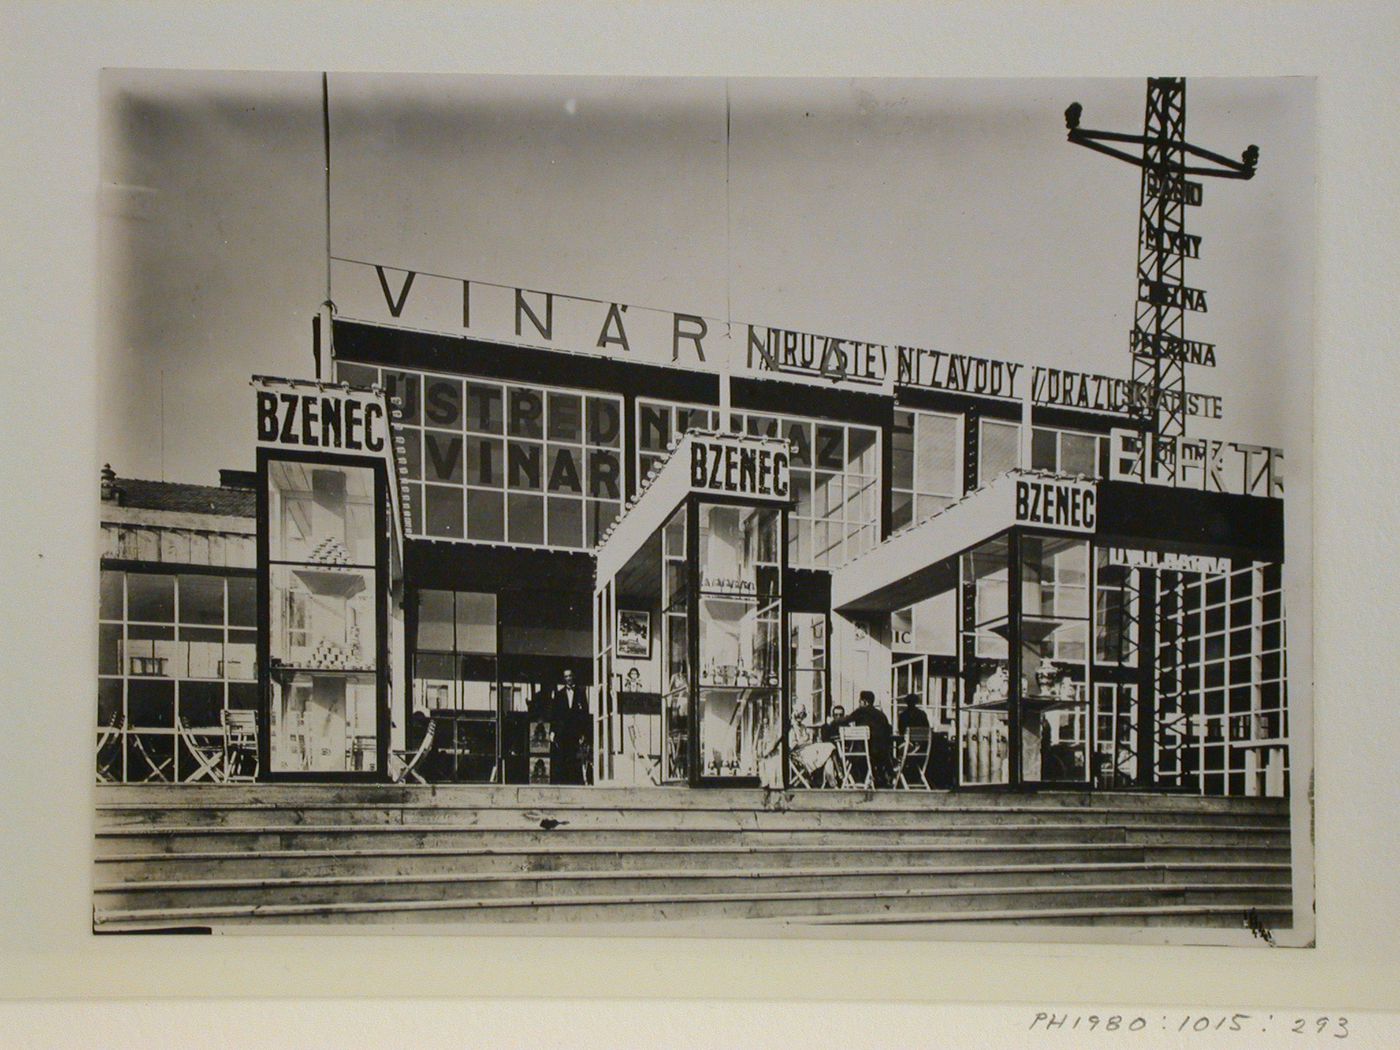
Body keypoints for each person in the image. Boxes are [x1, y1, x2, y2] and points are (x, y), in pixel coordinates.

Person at [830, 690, 895, 788]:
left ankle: (860, 781)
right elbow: (889, 730)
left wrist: (833, 722)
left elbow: (846, 720)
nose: (859, 703)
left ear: (865, 702)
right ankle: (879, 779)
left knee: (855, 755)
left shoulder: (861, 711)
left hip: (864, 753)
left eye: (860, 701)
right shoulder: (881, 715)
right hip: (882, 754)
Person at [547, 669, 590, 785]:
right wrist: (552, 731)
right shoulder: (559, 694)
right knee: (562, 756)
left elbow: (585, 713)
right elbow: (554, 714)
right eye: (566, 676)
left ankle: (575, 782)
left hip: (575, 731)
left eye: (570, 676)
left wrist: (584, 733)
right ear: (563, 679)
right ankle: (563, 781)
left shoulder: (580, 692)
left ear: (573, 677)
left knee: (575, 757)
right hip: (562, 731)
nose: (568, 678)